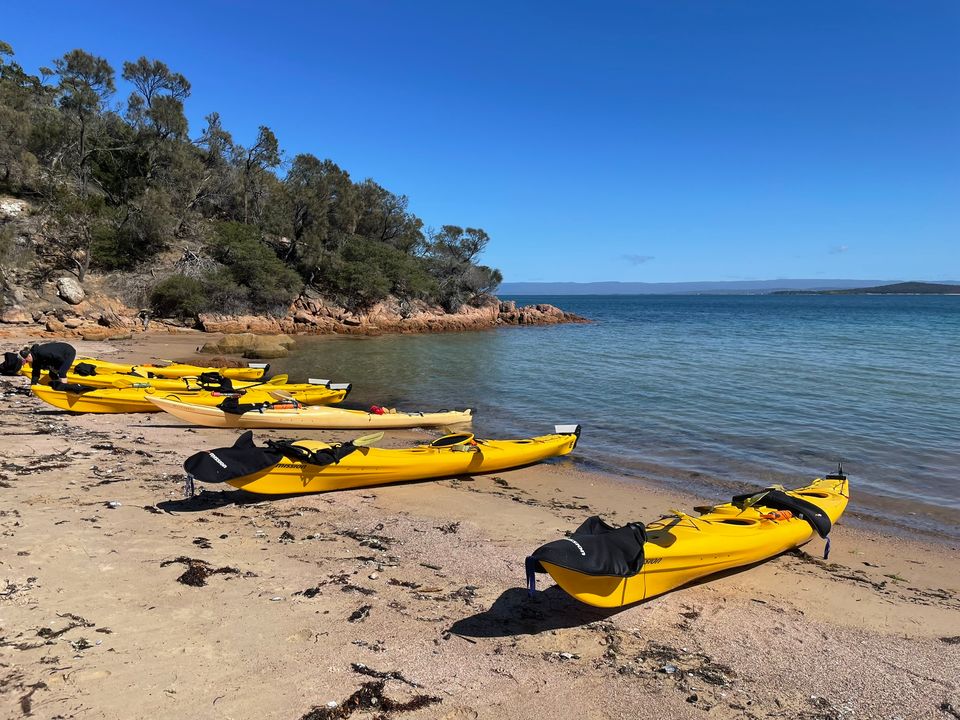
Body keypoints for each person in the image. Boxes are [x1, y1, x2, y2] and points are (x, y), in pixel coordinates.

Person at [2, 341, 77, 389]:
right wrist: (33, 386)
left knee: (61, 372)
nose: (26, 363)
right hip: (58, 355)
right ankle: (58, 386)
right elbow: (35, 373)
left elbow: (59, 358)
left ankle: (64, 388)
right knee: (52, 374)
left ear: (29, 356)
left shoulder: (42, 352)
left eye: (26, 361)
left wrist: (57, 368)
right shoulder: (35, 359)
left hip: (67, 352)